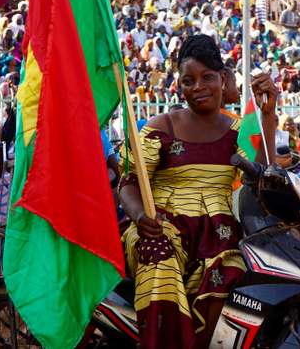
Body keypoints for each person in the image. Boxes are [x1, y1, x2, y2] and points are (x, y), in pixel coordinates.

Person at [119, 34, 277, 349]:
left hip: (219, 237)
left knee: (238, 279)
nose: (198, 87)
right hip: (158, 228)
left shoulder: (239, 131)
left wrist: (268, 115)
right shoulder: (162, 127)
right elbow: (128, 183)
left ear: (224, 78)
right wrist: (139, 217)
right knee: (159, 262)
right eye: (188, 80)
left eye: (207, 77)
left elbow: (262, 175)